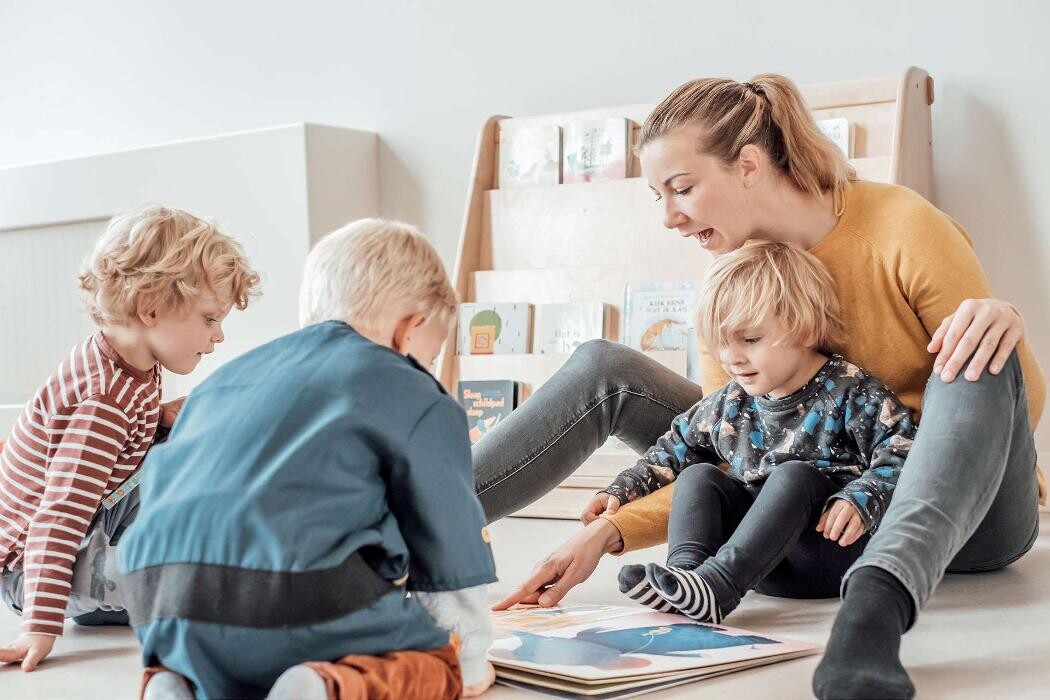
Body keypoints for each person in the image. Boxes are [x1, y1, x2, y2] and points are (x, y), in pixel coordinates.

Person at [481, 75, 1044, 700]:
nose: (669, 217)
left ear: (747, 165)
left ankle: (874, 616)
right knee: (602, 366)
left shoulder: (902, 227)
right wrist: (605, 531)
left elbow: (1015, 397)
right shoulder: (735, 280)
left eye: (683, 189)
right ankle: (401, 528)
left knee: (978, 344)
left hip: (958, 512)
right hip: (809, 510)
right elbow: (733, 446)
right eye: (658, 197)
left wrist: (1003, 323)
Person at [120, 219, 498, 700]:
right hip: (297, 601)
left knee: (227, 652)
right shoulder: (415, 393)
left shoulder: (225, 379)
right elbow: (450, 549)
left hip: (159, 600)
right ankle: (323, 686)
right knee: (436, 667)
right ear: (410, 330)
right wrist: (465, 659)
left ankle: (174, 683)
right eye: (430, 355)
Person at [586, 240, 915, 624]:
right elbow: (675, 448)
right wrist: (621, 489)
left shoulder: (850, 390)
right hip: (756, 563)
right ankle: (687, 580)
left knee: (794, 476)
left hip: (829, 551)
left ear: (805, 329)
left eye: (750, 339)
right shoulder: (730, 402)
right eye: (722, 343)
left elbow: (905, 450)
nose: (732, 358)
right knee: (698, 476)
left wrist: (862, 498)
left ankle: (716, 587)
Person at [0, 205, 259, 671]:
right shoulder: (102, 404)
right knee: (176, 579)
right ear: (151, 308)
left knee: (197, 458)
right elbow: (58, 516)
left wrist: (159, 421)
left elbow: (118, 461)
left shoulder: (133, 362)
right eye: (209, 319)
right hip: (33, 568)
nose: (218, 336)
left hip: (95, 517)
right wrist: (38, 626)